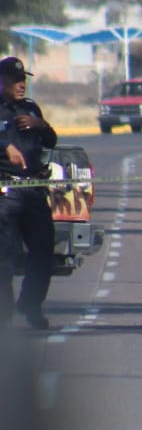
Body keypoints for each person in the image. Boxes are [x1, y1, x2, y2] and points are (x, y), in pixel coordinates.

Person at [0, 57, 57, 329]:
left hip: (34, 188)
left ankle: (31, 305)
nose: (21, 85)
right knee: (5, 257)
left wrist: (40, 126)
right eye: (15, 81)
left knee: (43, 252)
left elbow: (51, 140)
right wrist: (3, 148)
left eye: (24, 80)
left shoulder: (31, 107)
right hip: (6, 191)